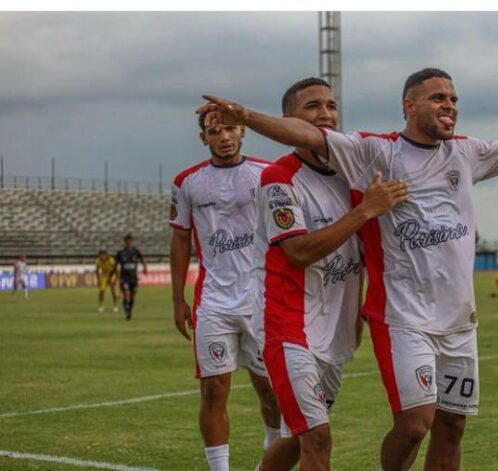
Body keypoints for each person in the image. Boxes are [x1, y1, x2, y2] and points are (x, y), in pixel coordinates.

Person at [197, 67, 498, 471]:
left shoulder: (458, 154)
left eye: (453, 99)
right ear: (409, 106)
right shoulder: (372, 156)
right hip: (389, 319)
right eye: (438, 98)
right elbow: (309, 152)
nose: (449, 105)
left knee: (448, 426)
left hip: (453, 322)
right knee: (398, 427)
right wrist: (245, 117)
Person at [251, 78, 407, 471]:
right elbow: (298, 251)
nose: (326, 114)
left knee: (295, 439)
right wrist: (364, 210)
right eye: (312, 106)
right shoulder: (278, 179)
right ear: (288, 122)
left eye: (331, 105)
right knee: (317, 439)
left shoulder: (353, 174)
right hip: (290, 328)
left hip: (335, 333)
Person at [169, 110, 280, 471]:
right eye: (214, 131)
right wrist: (177, 298)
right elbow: (181, 237)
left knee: (270, 390)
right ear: (204, 138)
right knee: (214, 389)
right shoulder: (187, 182)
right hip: (214, 301)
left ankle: (271, 451)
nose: (224, 137)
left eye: (230, 129)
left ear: (243, 130)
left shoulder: (267, 174)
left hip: (261, 300)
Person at [116, 234, 147, 320]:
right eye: (127, 241)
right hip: (124, 277)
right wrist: (116, 274)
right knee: (126, 293)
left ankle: (129, 310)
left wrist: (145, 268)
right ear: (125, 242)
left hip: (133, 277)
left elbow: (142, 258)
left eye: (130, 241)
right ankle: (126, 311)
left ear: (132, 242)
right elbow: (116, 264)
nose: (128, 243)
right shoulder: (121, 253)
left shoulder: (136, 251)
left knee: (133, 295)